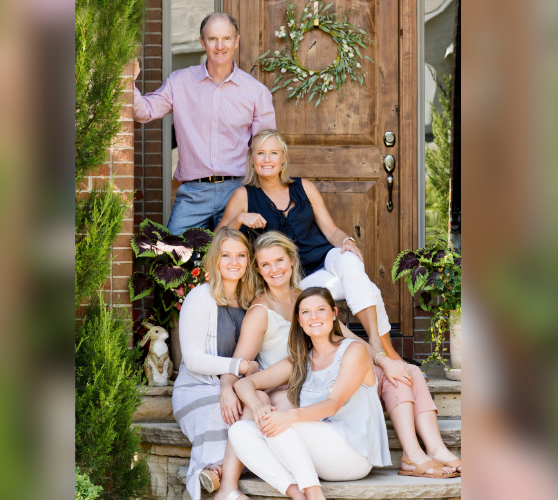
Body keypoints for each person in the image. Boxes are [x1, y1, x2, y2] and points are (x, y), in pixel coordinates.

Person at [217, 129, 389, 361]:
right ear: (252, 159)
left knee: (350, 260)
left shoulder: (303, 187)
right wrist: (239, 219)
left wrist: (347, 241)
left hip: (324, 262)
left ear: (283, 158)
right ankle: (385, 354)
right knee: (369, 288)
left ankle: (376, 344)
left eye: (273, 153)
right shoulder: (244, 195)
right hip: (294, 279)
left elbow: (332, 231)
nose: (267, 160)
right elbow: (219, 239)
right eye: (261, 153)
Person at [228, 287, 394, 500]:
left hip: (353, 455)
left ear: (334, 314)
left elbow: (333, 404)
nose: (313, 317)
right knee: (239, 431)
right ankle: (297, 493)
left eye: (320, 310)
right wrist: (257, 406)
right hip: (320, 455)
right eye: (306, 312)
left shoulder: (354, 350)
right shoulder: (300, 360)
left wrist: (290, 415)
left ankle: (315, 497)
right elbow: (245, 384)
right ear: (299, 320)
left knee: (279, 421)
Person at [132, 13, 276, 234]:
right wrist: (128, 82)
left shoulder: (256, 92)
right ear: (202, 42)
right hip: (193, 193)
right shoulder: (179, 82)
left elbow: (266, 151)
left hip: (238, 191)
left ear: (236, 41)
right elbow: (145, 112)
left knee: (238, 259)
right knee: (171, 257)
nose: (220, 46)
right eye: (212, 39)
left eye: (226, 38)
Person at [171, 227, 263, 500]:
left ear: (249, 261)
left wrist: (241, 378)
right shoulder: (200, 298)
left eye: (241, 255)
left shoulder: (253, 300)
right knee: (222, 413)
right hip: (197, 386)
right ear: (215, 260)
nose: (234, 262)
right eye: (226, 255)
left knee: (261, 408)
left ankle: (217, 472)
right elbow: (194, 359)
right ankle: (225, 484)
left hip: (239, 386)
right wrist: (240, 368)